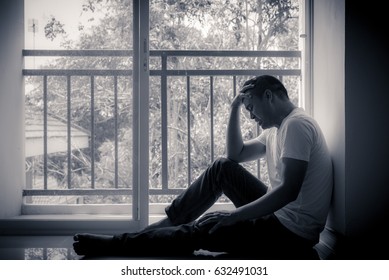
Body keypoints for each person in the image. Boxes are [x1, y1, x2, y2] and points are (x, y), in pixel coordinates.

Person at [73, 75, 333, 259]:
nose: (252, 117)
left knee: (205, 229)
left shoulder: (296, 126)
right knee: (221, 167)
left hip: (290, 234)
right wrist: (234, 108)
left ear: (269, 96)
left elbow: (288, 191)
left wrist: (233, 215)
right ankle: (169, 221)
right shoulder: (278, 128)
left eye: (252, 109)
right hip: (280, 217)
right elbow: (235, 155)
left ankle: (118, 245)